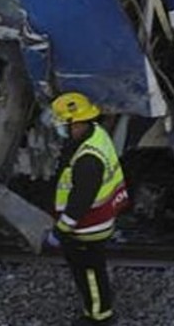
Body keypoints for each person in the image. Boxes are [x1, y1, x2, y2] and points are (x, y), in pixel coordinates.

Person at [47, 92, 129, 325]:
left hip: (87, 226)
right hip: (98, 218)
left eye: (65, 125)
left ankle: (99, 316)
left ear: (79, 122)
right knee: (94, 269)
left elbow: (80, 200)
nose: (62, 130)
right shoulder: (96, 135)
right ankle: (97, 307)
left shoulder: (88, 160)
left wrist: (61, 230)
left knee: (89, 273)